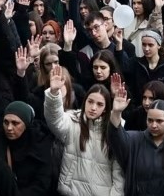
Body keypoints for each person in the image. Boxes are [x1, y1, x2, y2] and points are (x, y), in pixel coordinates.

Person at [43, 65, 125, 196]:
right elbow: (55, 120)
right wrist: (53, 93)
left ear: (105, 108)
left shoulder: (113, 130)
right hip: (71, 191)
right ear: (85, 101)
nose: (93, 107)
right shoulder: (73, 121)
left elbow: (119, 171)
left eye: (99, 104)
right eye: (90, 101)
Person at [108, 80, 164, 196]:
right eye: (150, 120)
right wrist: (116, 112)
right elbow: (116, 138)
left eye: (159, 121)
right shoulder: (134, 140)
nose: (153, 125)